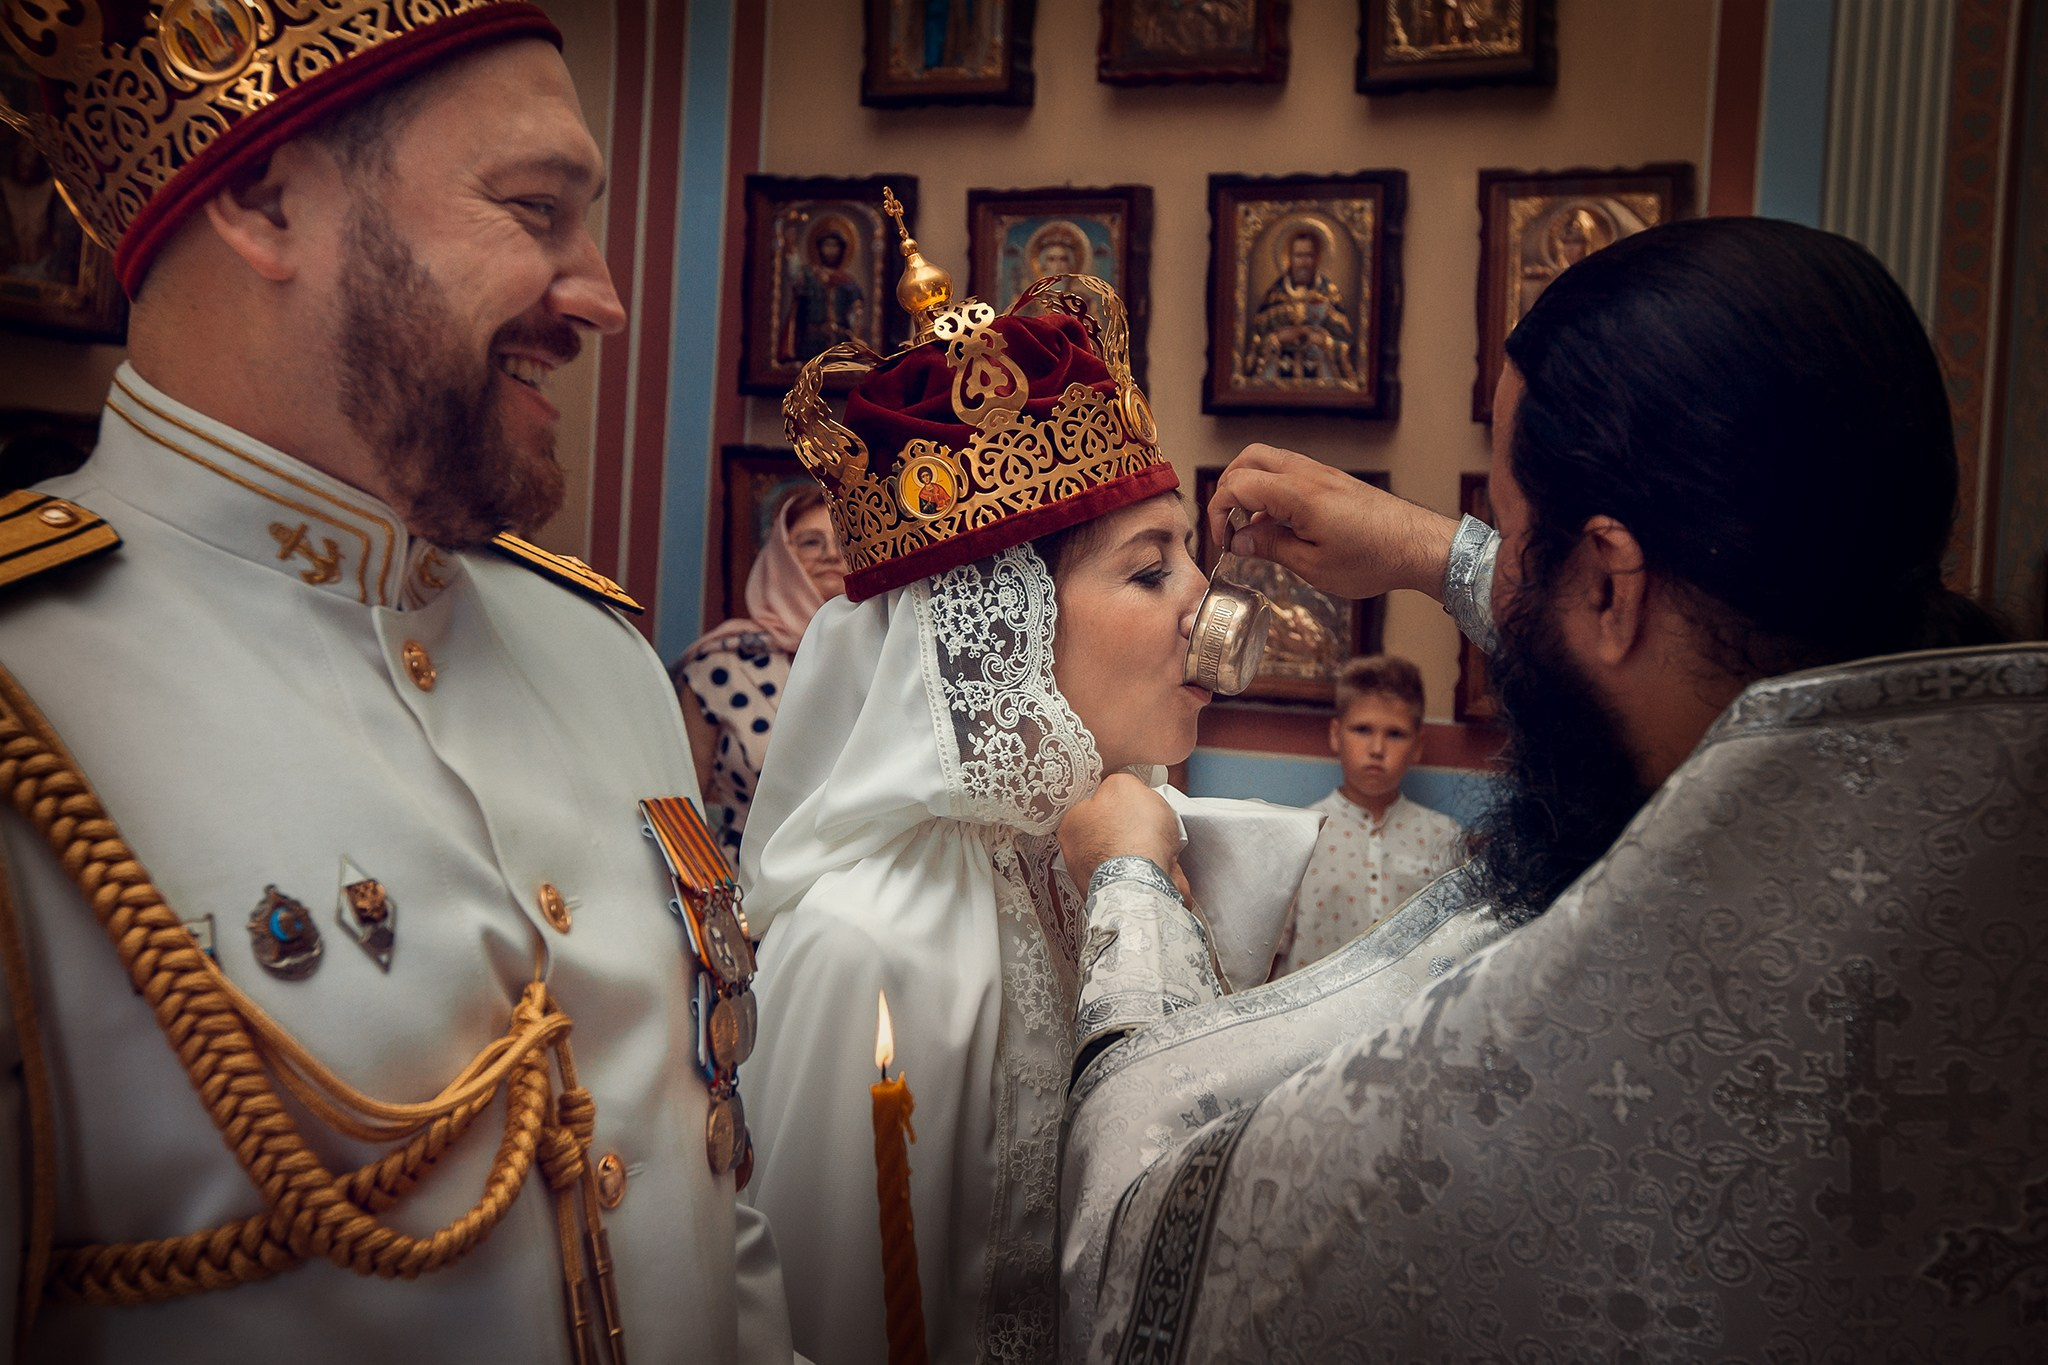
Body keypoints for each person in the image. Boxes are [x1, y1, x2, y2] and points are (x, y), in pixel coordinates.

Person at [1055, 217, 2039, 1361]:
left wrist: (1129, 885)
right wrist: (1441, 553)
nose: (1492, 561)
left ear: (1611, 583)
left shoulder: (1564, 1034)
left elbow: (1132, 1246)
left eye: (1511, 535)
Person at [0, 5, 792, 1360]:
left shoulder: (601, 657)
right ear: (263, 200)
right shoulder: (32, 688)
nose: (598, 293)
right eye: (535, 207)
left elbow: (720, 1192)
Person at [741, 228, 1314, 1365]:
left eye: (1187, 558)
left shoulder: (1153, 858)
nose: (1202, 603)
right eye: (1150, 570)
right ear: (1000, 631)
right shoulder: (862, 948)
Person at [673, 485, 845, 862]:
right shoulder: (721, 665)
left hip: (858, 894)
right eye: (812, 542)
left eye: (842, 541)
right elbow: (684, 804)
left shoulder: (887, 657)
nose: (831, 554)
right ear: (781, 557)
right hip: (745, 888)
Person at [1270, 654, 1465, 978]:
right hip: (1315, 1020)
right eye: (1362, 729)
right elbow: (1268, 955)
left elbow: (1455, 952)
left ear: (1418, 745)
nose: (1377, 748)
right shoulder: (1301, 833)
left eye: (1395, 734)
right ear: (1336, 734)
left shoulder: (1444, 838)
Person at [1240, 226, 1356, 386]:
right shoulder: (1275, 294)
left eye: (1309, 255)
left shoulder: (1329, 293)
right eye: (1299, 255)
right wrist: (1277, 338)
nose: (1304, 262)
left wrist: (1324, 341)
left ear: (1317, 258)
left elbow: (1345, 343)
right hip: (1278, 379)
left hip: (1322, 384)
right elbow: (1255, 343)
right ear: (1289, 258)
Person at [778, 222, 865, 365]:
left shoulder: (848, 282)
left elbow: (856, 312)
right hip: (812, 340)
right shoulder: (809, 275)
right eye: (827, 245)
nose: (831, 250)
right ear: (819, 249)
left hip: (839, 341)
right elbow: (796, 277)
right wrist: (791, 248)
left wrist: (856, 334)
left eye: (835, 246)